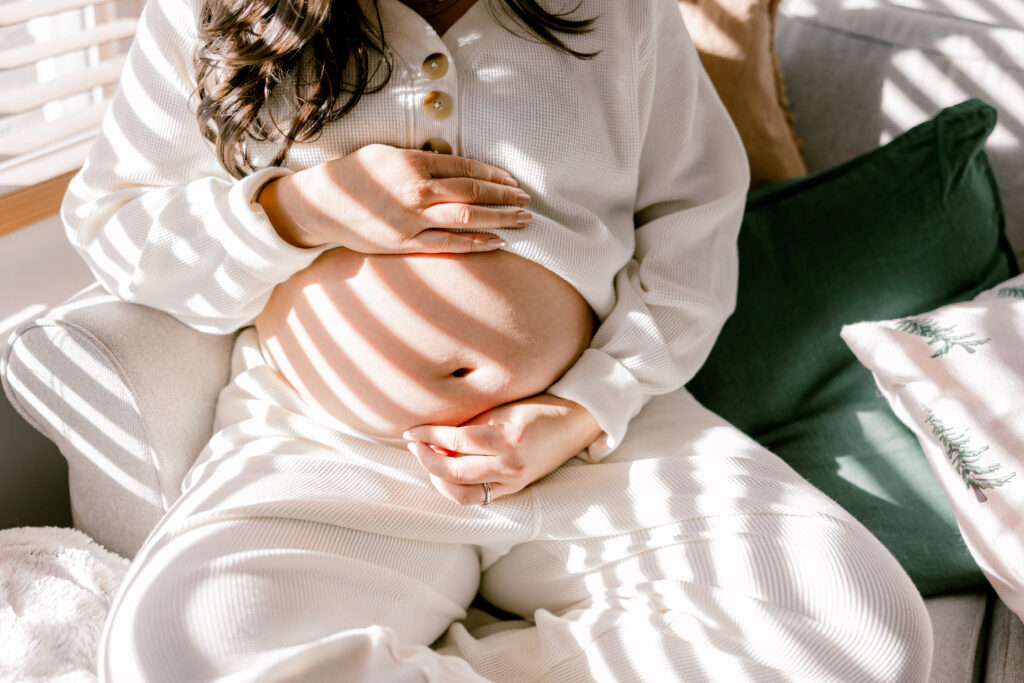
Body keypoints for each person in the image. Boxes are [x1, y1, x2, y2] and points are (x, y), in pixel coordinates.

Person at [63, 0, 933, 680]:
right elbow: (110, 222)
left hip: (594, 438)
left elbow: (693, 220)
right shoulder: (220, 13)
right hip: (327, 444)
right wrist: (304, 208)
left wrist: (586, 404)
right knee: (173, 654)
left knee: (862, 630)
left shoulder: (619, 11)